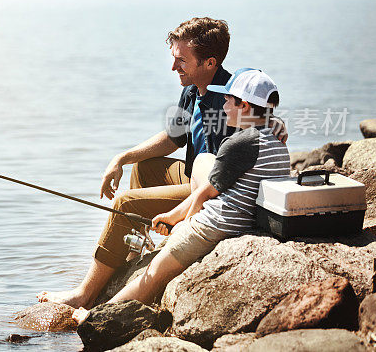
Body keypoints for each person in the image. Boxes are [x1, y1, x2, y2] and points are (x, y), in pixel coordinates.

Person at [37, 18, 287, 308]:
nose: (173, 67)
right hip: (196, 175)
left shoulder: (230, 100)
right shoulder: (193, 88)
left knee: (126, 203)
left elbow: (261, 125)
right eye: (174, 58)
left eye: (181, 60)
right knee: (144, 166)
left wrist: (277, 124)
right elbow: (174, 138)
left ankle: (85, 294)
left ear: (210, 62)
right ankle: (132, 254)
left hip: (215, 190)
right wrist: (122, 158)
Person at [71, 69, 290, 323]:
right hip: (240, 213)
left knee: (154, 274)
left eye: (229, 101)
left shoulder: (238, 142)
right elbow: (177, 141)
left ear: (243, 105)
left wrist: (180, 220)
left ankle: (96, 316)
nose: (224, 105)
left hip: (216, 222)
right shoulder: (274, 138)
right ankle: (131, 257)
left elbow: (204, 195)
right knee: (183, 162)